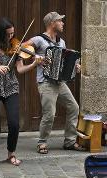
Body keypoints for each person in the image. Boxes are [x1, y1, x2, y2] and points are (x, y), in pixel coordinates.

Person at [0, 17, 41, 166]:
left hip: (10, 87)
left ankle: (11, 154)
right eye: (8, 34)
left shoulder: (15, 47)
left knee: (14, 123)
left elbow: (20, 69)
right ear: (0, 33)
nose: (11, 37)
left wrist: (34, 64)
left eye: (12, 33)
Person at [23, 12, 84, 154]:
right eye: (60, 21)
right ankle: (42, 142)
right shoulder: (39, 40)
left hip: (60, 82)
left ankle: (69, 141)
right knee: (49, 114)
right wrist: (36, 56)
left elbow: (65, 62)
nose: (63, 23)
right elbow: (22, 47)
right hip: (46, 83)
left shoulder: (61, 42)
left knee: (74, 107)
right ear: (52, 23)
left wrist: (75, 67)